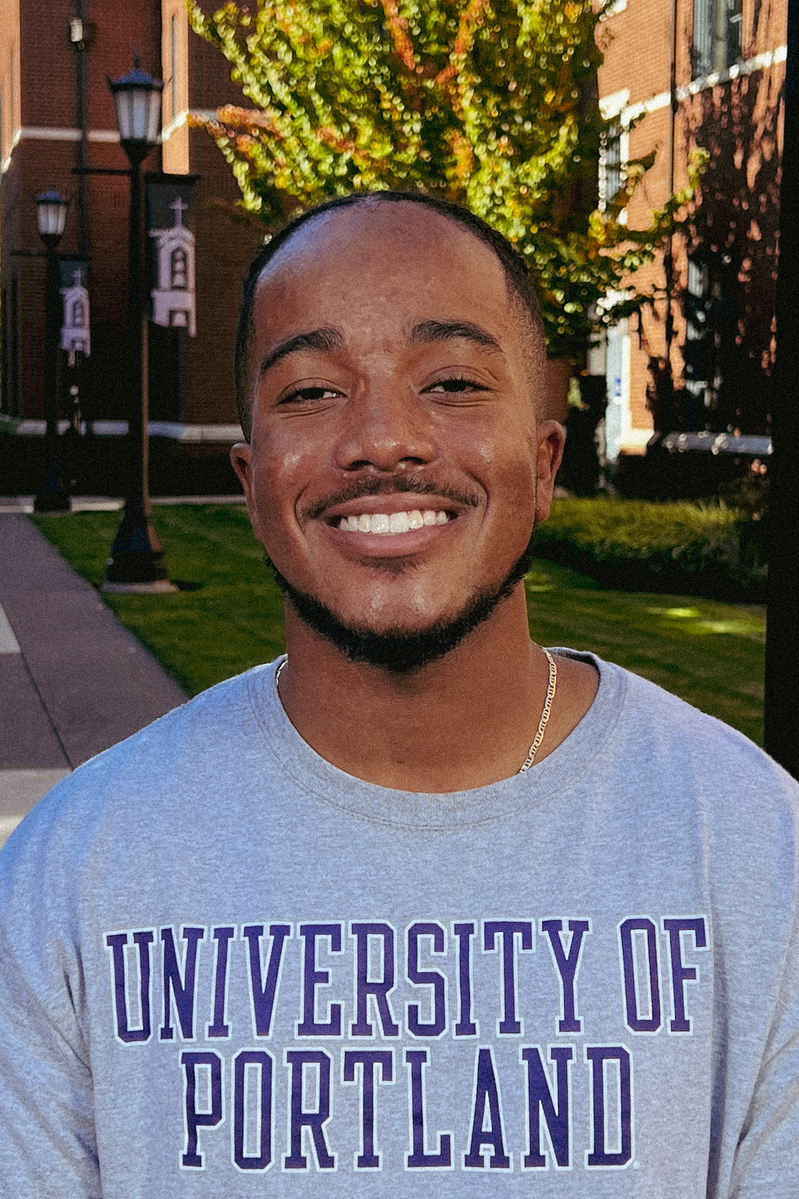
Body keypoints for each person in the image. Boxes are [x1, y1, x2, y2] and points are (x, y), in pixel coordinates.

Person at [0, 193, 797, 1198]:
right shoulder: (73, 875)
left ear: (544, 462)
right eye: (312, 391)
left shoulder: (755, 852)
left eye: (453, 379)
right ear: (250, 483)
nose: (384, 438)